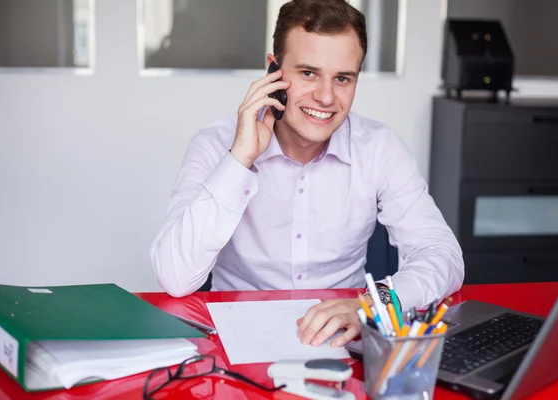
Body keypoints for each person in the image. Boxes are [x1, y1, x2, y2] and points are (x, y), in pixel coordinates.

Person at [150, 0, 464, 349]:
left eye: (342, 78)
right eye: (308, 73)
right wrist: (239, 159)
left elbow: (443, 255)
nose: (327, 97)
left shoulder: (379, 147)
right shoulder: (215, 145)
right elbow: (175, 278)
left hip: (342, 340)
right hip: (234, 340)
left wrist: (374, 305)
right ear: (273, 72)